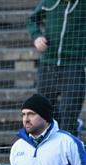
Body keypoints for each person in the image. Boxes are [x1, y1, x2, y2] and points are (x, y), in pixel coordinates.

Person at [27, 0, 86, 135]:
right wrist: (37, 37)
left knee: (69, 115)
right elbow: (31, 19)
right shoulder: (49, 1)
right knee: (43, 114)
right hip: (48, 65)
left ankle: (68, 149)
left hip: (74, 66)